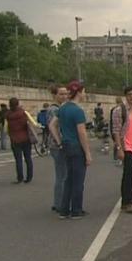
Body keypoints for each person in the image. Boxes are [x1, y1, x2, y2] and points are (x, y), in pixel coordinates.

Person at [57, 80, 92, 219]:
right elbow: (81, 132)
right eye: (84, 91)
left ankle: (64, 210)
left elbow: (53, 124)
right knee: (78, 180)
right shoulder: (78, 111)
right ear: (79, 92)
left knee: (68, 179)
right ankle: (76, 210)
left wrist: (60, 140)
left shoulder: (63, 108)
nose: (85, 94)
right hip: (76, 146)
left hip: (66, 145)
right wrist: (88, 153)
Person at [112, 86, 132, 213]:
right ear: (125, 96)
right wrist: (119, 148)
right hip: (126, 146)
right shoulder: (120, 110)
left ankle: (130, 199)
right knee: (128, 173)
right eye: (130, 94)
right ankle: (126, 202)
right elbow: (116, 130)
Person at [5, 97, 38, 184]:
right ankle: (29, 177)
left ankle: (20, 178)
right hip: (25, 138)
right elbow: (33, 123)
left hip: (15, 139)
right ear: (18, 104)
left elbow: (6, 128)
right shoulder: (24, 112)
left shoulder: (7, 115)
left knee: (18, 160)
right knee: (28, 158)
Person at [47, 85, 69, 212]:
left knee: (62, 174)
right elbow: (54, 127)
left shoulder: (60, 108)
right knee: (62, 174)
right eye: (61, 94)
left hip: (58, 144)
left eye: (66, 94)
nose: (64, 96)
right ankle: (59, 203)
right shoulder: (54, 110)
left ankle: (59, 202)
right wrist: (61, 142)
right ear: (55, 95)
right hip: (57, 145)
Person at [109, 97, 124, 165]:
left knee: (117, 143)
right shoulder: (124, 109)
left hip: (117, 129)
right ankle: (121, 158)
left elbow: (112, 122)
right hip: (123, 129)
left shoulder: (113, 109)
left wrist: (112, 131)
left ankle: (117, 157)